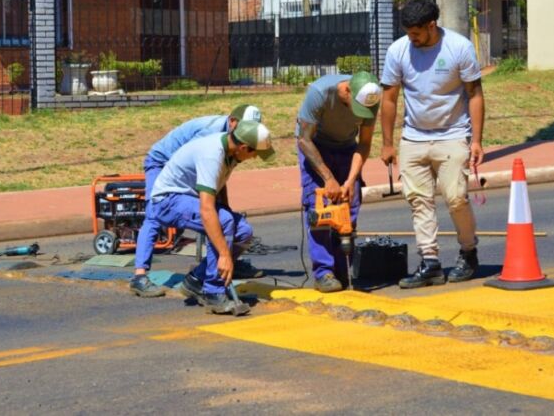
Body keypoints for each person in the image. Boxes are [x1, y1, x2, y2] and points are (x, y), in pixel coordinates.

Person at [379, 0, 485, 289]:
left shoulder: (459, 47)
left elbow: (474, 94)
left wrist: (476, 141)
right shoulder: (398, 51)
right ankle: (430, 263)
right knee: (418, 201)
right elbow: (389, 99)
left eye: (416, 32)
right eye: (407, 32)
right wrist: (387, 144)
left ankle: (468, 251)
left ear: (431, 25)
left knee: (456, 198)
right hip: (413, 137)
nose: (411, 37)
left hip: (452, 134)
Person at [129, 105, 263, 297]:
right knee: (154, 215)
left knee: (222, 219)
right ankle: (139, 276)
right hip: (163, 163)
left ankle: (216, 266)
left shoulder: (233, 141)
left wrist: (223, 210)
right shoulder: (211, 134)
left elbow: (216, 177)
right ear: (233, 121)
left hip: (185, 172)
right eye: (246, 127)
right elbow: (196, 165)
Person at [149, 120, 275, 314]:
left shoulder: (232, 153)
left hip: (188, 198)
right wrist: (224, 255)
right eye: (255, 153)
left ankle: (196, 280)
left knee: (243, 231)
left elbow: (218, 190)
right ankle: (213, 293)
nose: (256, 157)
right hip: (167, 201)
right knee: (223, 221)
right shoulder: (212, 155)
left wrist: (228, 222)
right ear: (243, 147)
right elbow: (207, 210)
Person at [296, 71, 382, 293]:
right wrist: (329, 178)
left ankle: (342, 268)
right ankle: (324, 272)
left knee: (348, 205)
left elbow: (363, 144)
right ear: (346, 91)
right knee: (320, 209)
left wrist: (350, 180)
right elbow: (304, 140)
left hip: (346, 147)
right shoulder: (320, 93)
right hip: (315, 146)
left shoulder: (371, 98)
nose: (360, 113)